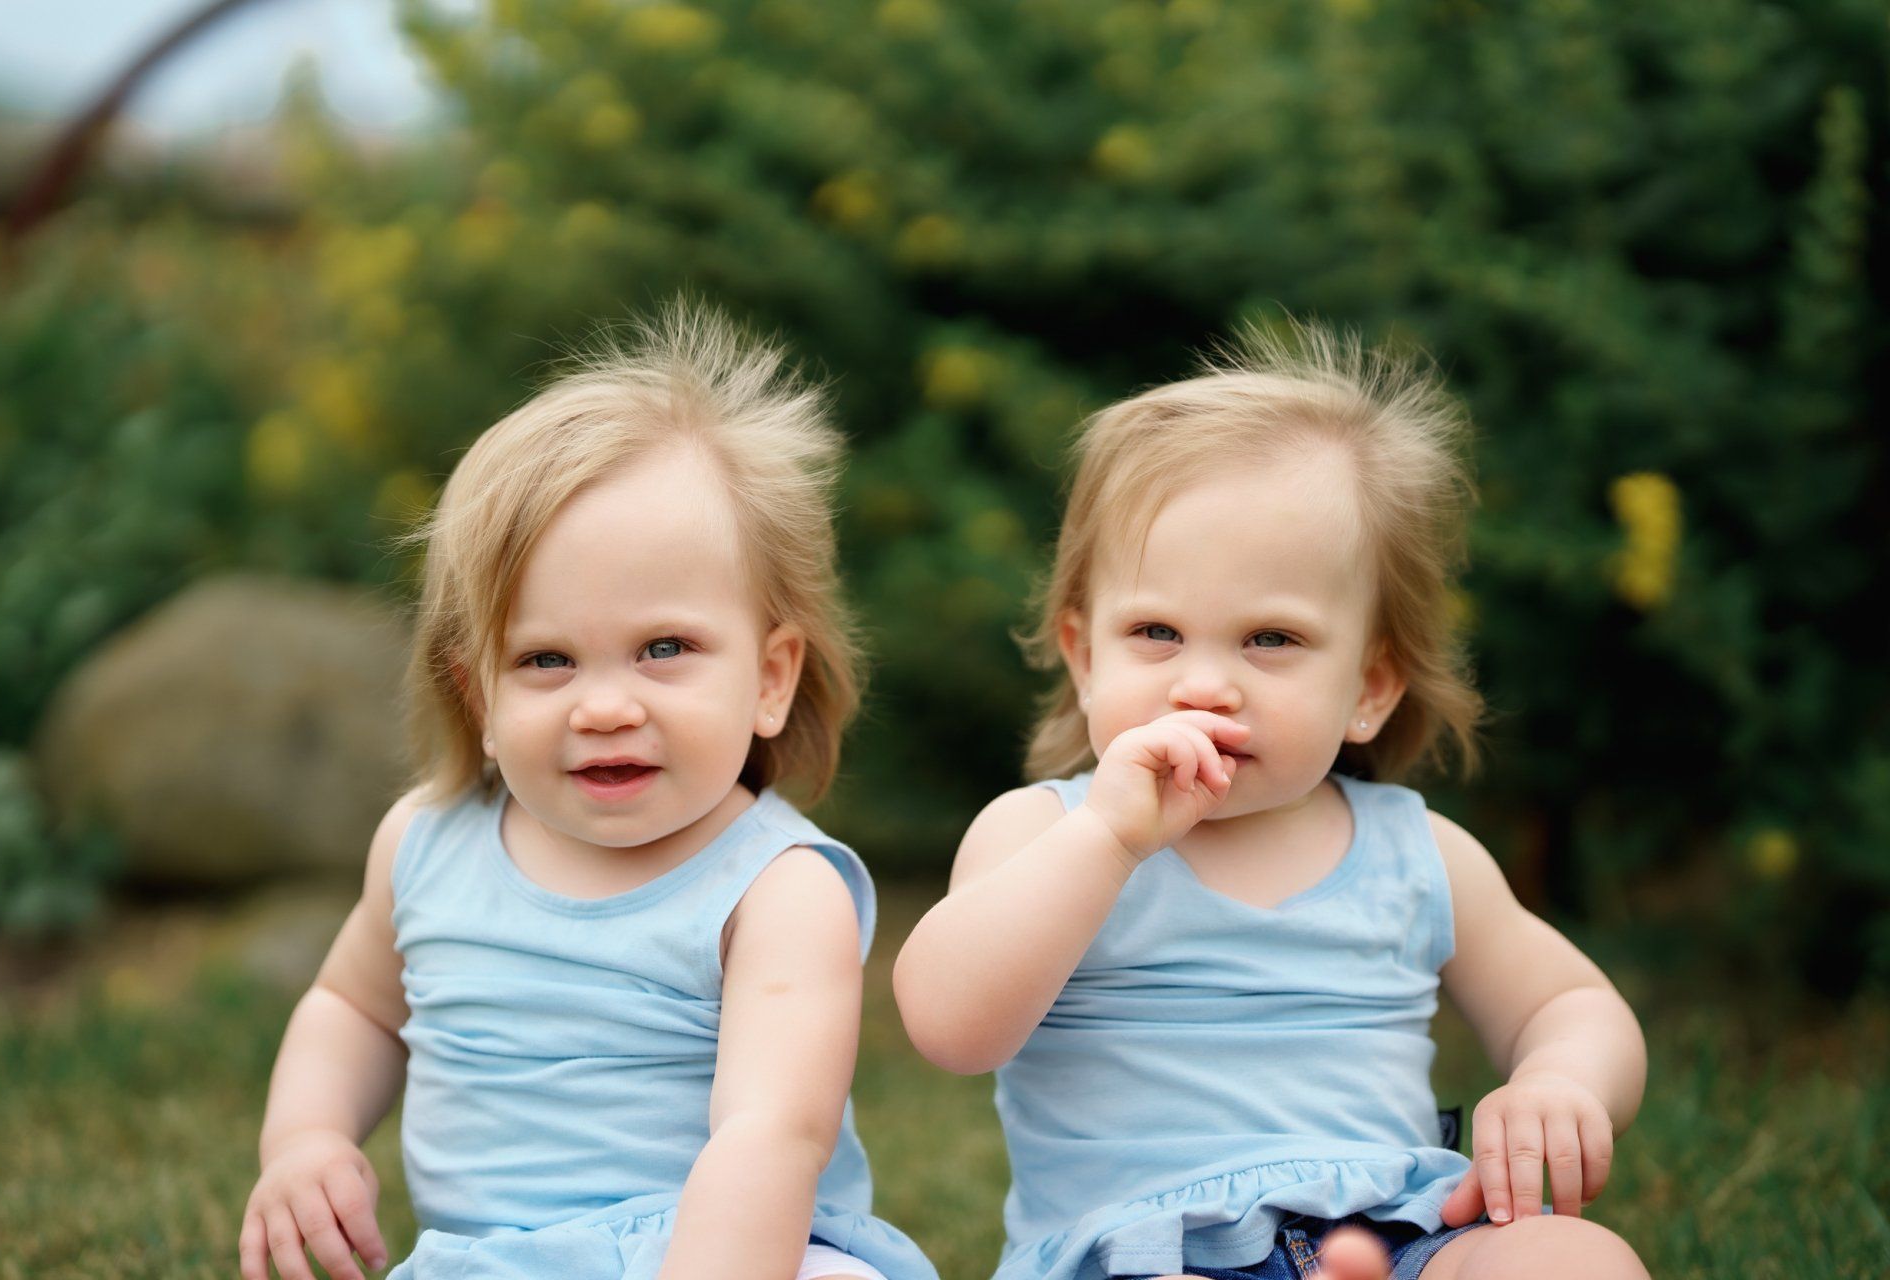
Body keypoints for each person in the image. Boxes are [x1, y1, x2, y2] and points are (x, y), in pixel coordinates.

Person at [892, 325, 1649, 1280]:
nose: (1205, 686)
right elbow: (949, 1027)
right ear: (1085, 659)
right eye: (1156, 632)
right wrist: (1109, 842)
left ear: (1370, 687)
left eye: (1272, 640)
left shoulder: (1418, 855)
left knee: (1575, 1259)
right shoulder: (1045, 834)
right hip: (1140, 1252)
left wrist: (1559, 1079)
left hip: (1400, 1231)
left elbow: (1570, 1001)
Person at [239, 305, 937, 1280]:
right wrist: (307, 1137)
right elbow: (353, 1007)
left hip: (740, 1246)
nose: (605, 706)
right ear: (477, 696)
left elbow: (774, 1130)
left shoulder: (778, 889)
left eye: (664, 648)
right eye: (547, 659)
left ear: (771, 678)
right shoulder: (425, 843)